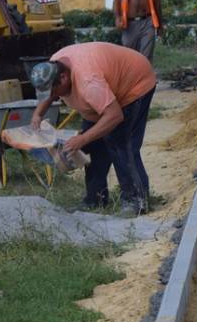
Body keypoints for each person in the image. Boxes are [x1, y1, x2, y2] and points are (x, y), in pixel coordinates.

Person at [30, 42, 157, 216]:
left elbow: (114, 116)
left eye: (54, 91)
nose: (53, 96)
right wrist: (38, 114)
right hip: (104, 87)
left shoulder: (88, 82)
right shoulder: (53, 66)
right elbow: (49, 93)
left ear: (64, 78)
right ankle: (95, 199)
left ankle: (136, 201)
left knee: (120, 143)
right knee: (95, 146)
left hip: (134, 82)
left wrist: (82, 139)